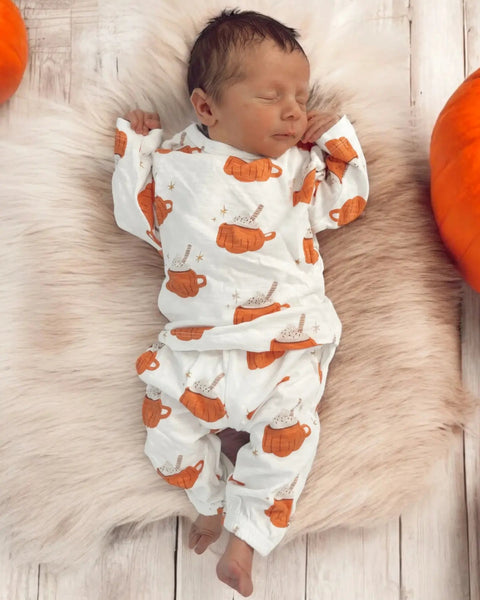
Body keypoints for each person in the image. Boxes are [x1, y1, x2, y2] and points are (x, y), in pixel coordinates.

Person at [112, 8, 368, 597]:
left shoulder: (297, 169)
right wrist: (136, 147)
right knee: (164, 429)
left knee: (289, 444)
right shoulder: (173, 164)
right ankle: (209, 501)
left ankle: (245, 542)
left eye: (300, 97)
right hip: (196, 344)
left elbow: (347, 203)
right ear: (206, 108)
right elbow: (134, 213)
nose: (293, 112)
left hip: (285, 342)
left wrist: (335, 138)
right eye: (272, 97)